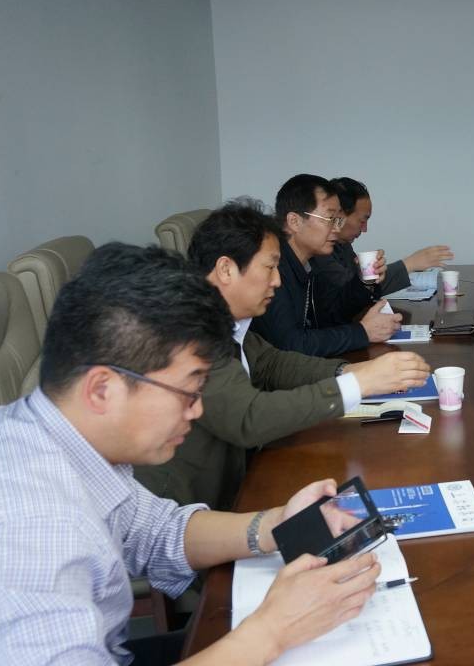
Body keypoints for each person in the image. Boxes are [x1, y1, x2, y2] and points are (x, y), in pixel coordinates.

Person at [0, 242, 380, 665]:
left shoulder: (49, 434)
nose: (198, 410)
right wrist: (273, 630)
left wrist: (277, 523)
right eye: (188, 390)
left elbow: (159, 532)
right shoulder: (23, 535)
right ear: (102, 389)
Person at [135, 200, 431, 509]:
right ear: (226, 269)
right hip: (187, 511)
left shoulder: (227, 319)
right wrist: (358, 384)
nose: (277, 280)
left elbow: (271, 363)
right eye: (269, 267)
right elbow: (248, 417)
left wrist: (351, 372)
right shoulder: (189, 331)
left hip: (234, 483)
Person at [250, 174, 402, 357]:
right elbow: (291, 344)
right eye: (330, 219)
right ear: (294, 221)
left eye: (339, 220)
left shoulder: (311, 262)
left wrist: (364, 281)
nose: (337, 228)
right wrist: (363, 332)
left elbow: (333, 315)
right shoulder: (272, 270)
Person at [318, 177, 453, 317]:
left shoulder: (343, 245)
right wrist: (409, 264)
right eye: (362, 221)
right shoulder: (320, 252)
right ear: (339, 214)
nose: (365, 229)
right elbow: (347, 292)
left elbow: (356, 290)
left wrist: (371, 273)